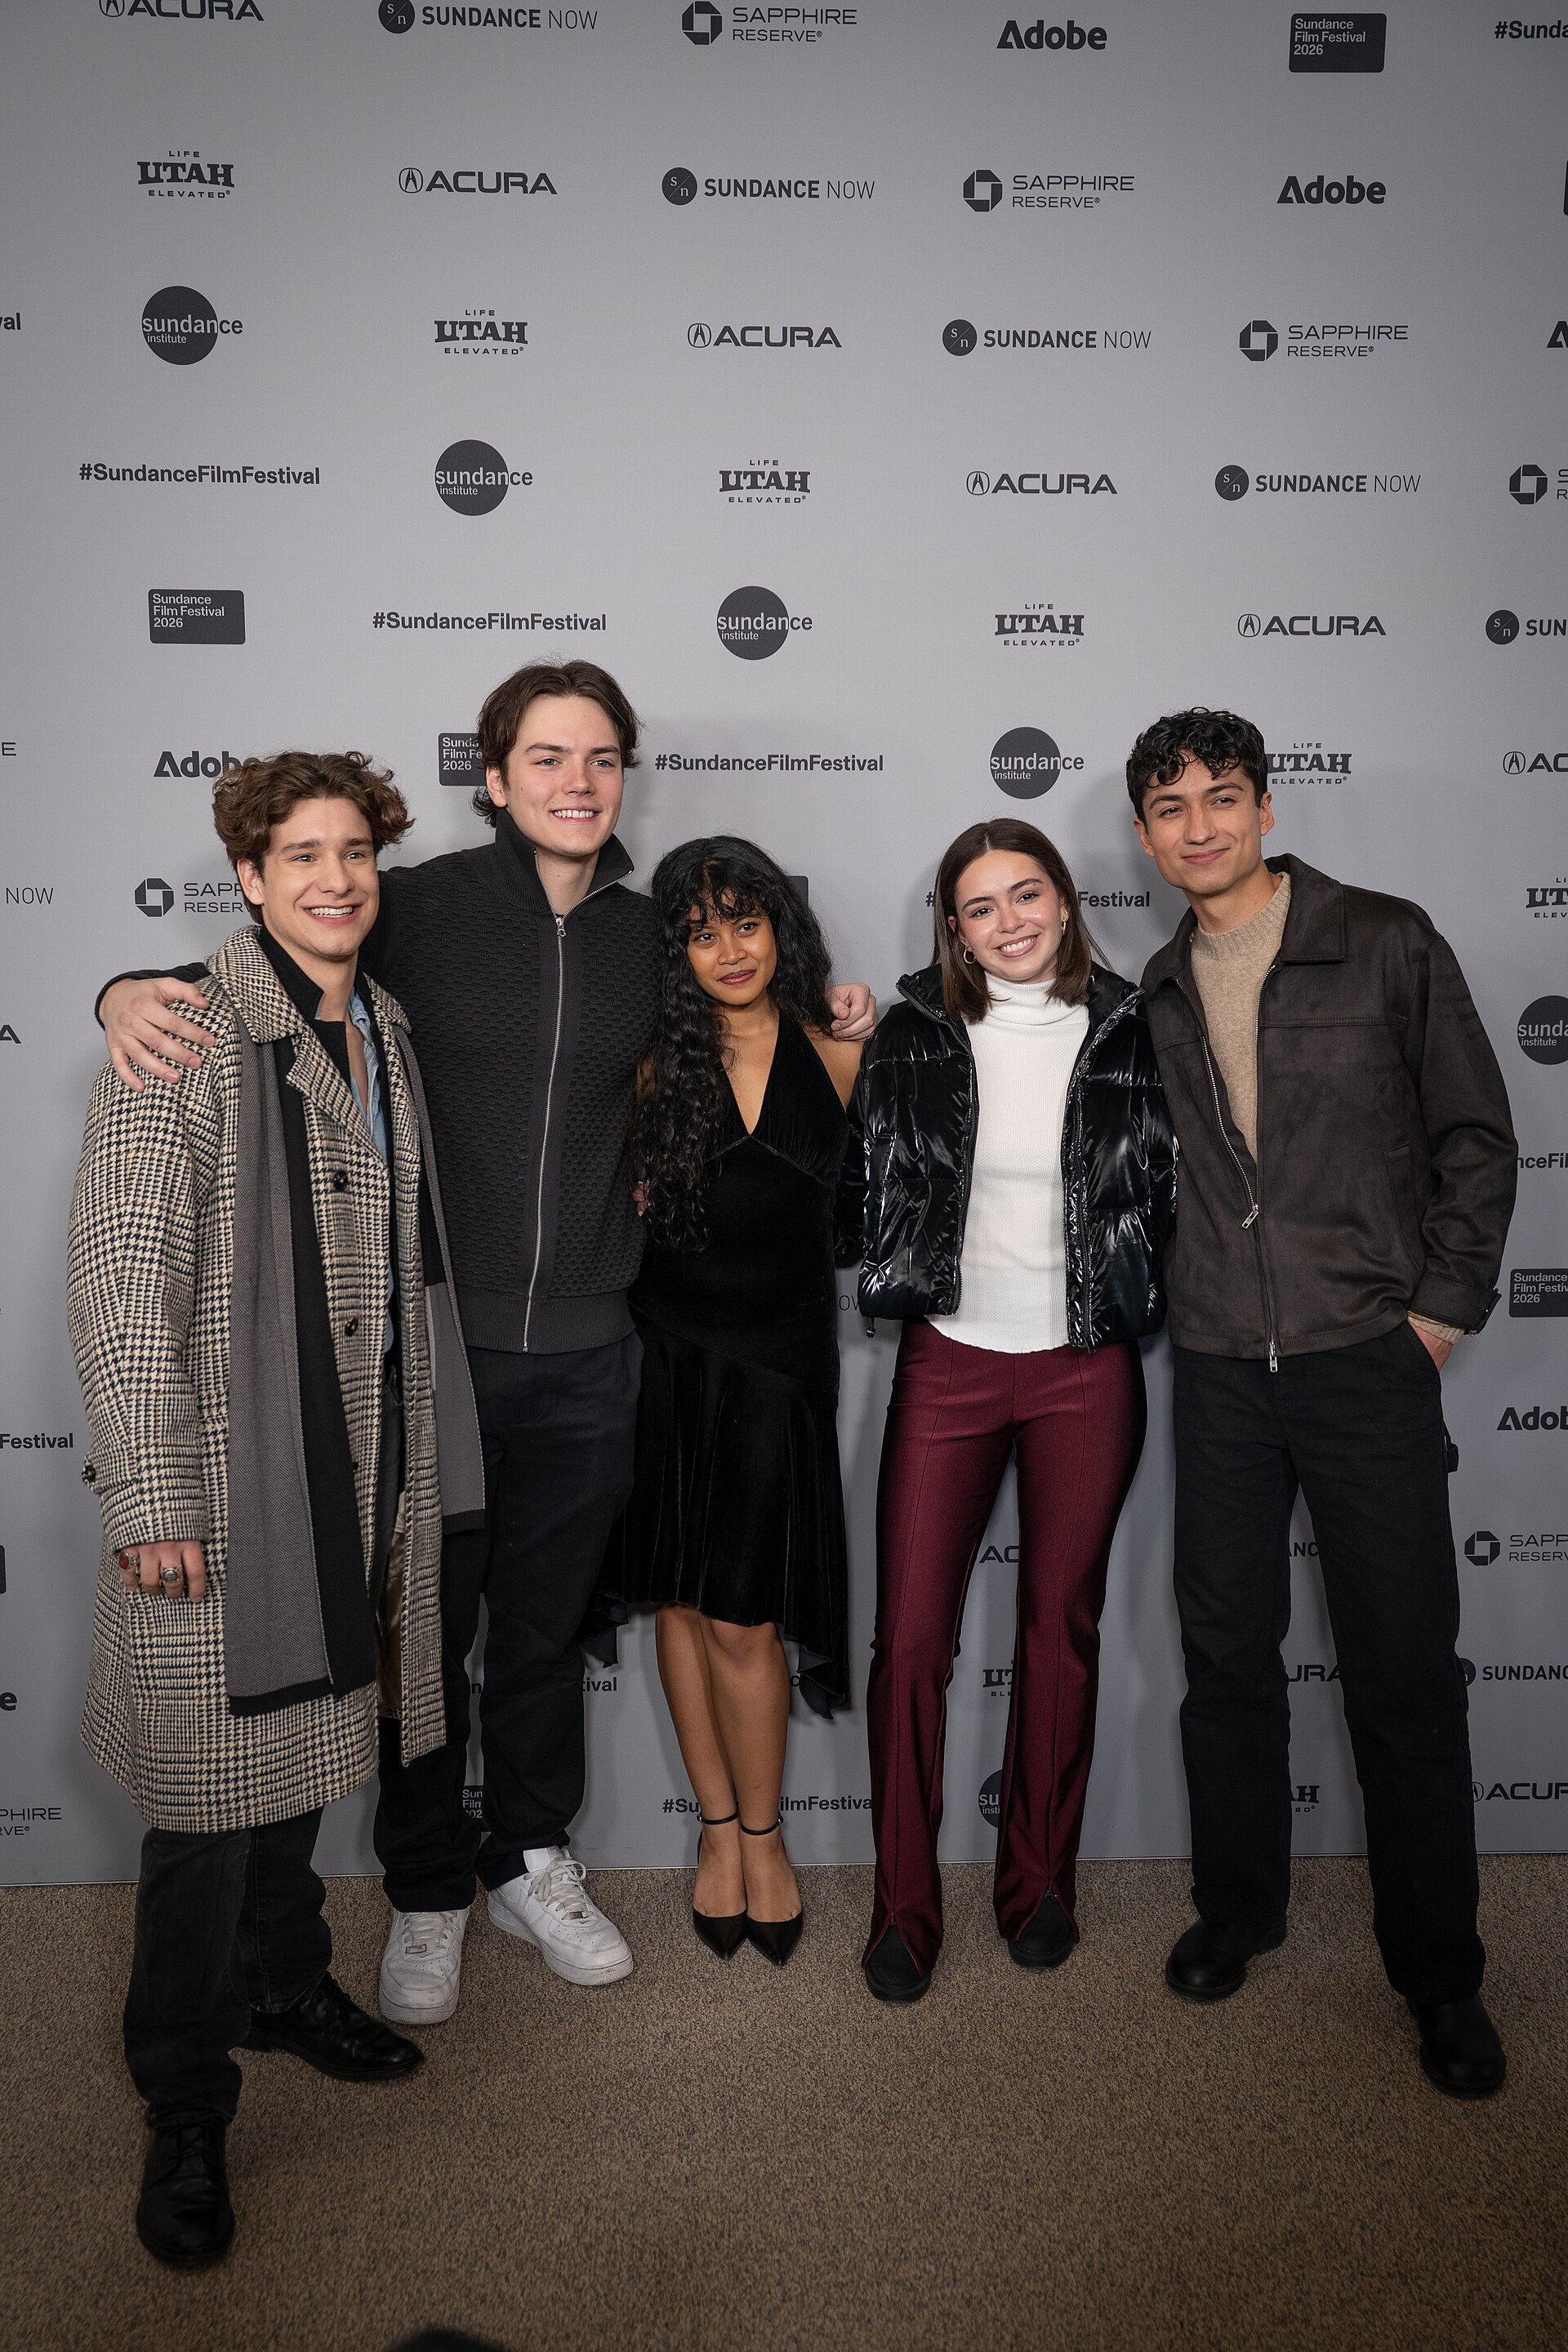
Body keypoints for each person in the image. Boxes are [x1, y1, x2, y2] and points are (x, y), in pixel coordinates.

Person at [96, 662, 875, 2026]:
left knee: (539, 1633)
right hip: (428, 1357)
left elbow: (766, 1029)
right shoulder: (422, 907)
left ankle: (530, 1855)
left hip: (595, 1353)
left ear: (625, 776)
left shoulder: (656, 937)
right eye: (549, 757)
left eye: (602, 759)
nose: (578, 782)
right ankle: (427, 1890)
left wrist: (850, 1017)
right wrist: (125, 989)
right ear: (499, 776)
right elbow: (278, 969)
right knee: (424, 1641)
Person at [69, 752, 483, 2266]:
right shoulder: (182, 1031)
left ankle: (284, 1982)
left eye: (355, 851)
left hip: (362, 1465)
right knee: (199, 1808)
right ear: (247, 878)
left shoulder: (383, 1024)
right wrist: (157, 1491)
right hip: (231, 1481)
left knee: (313, 1739)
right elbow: (123, 1281)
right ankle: (184, 2100)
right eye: (300, 855)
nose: (335, 878)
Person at [1127, 707, 1517, 2096]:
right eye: (1170, 808)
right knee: (1227, 1660)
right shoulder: (1157, 988)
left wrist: (1436, 1316)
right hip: (1224, 1368)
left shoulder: (1386, 938)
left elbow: (1477, 1133)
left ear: (1267, 809)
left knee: (1405, 1678)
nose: (1199, 826)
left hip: (1368, 1357)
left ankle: (1442, 1975)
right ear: (1146, 834)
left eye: (1221, 798)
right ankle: (1239, 1910)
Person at [844, 818, 1176, 2003]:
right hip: (952, 1363)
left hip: (1085, 1368)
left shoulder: (1138, 1024)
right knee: (914, 1645)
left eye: (1025, 894)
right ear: (954, 926)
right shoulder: (912, 1032)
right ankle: (903, 1907)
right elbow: (856, 1187)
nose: (1008, 922)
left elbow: (1182, 1190)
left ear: (1065, 899)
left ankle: (1039, 1884)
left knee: (1059, 1632)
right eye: (979, 907)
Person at [596, 839, 862, 1965]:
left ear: (780, 927)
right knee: (680, 1605)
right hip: (665, 1358)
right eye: (701, 932)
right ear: (676, 953)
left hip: (780, 1370)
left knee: (747, 1619)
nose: (730, 949)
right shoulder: (650, 1065)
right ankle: (717, 1835)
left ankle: (768, 1837)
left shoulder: (846, 1050)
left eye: (745, 922)